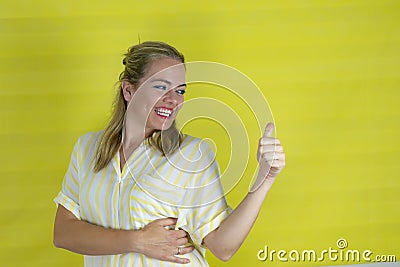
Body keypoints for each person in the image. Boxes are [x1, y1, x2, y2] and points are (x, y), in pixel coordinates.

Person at [53, 41, 285, 266]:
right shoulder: (87, 148)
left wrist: (265, 179)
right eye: (161, 86)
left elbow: (223, 246)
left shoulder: (192, 154)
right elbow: (63, 233)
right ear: (128, 90)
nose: (173, 99)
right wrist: (138, 241)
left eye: (180, 90)